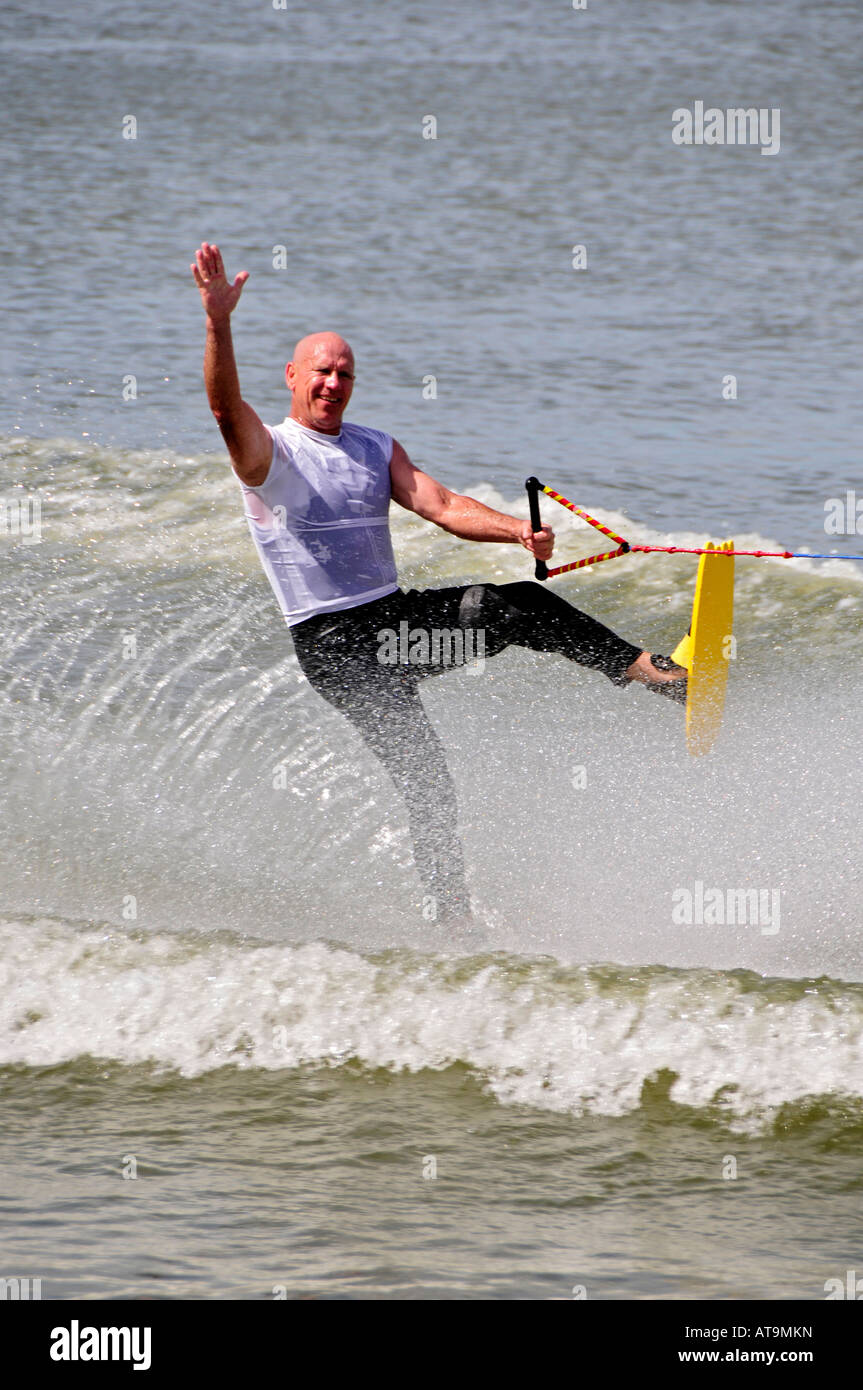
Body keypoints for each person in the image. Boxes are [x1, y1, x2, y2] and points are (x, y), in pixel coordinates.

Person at [191, 242, 686, 930]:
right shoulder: (267, 452)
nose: (333, 384)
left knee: (510, 615)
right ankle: (450, 913)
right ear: (292, 377)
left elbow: (441, 505)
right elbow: (222, 408)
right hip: (334, 643)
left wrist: (517, 531)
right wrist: (218, 320)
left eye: (344, 373)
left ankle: (655, 676)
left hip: (390, 622)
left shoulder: (373, 446)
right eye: (321, 372)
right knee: (429, 765)